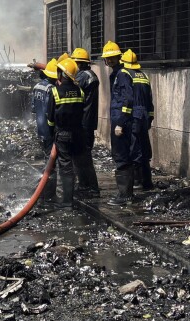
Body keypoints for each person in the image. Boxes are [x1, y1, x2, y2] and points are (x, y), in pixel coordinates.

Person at [102, 41, 139, 207]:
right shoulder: (116, 74)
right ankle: (124, 193)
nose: (110, 61)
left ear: (119, 58)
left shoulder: (122, 74)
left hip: (121, 121)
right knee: (121, 155)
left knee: (121, 156)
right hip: (118, 118)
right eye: (107, 59)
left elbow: (128, 99)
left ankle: (125, 195)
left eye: (112, 58)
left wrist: (121, 123)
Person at [47, 58, 85, 209]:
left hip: (62, 134)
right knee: (75, 164)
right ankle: (74, 195)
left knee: (65, 166)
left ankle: (67, 201)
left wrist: (52, 134)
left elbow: (50, 118)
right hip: (78, 133)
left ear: (62, 74)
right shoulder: (80, 91)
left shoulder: (55, 91)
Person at [122, 49, 155, 190]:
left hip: (134, 115)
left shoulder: (127, 75)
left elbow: (128, 99)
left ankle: (137, 181)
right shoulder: (143, 76)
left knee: (134, 148)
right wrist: (150, 117)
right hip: (144, 116)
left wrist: (123, 118)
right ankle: (147, 181)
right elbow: (150, 99)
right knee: (144, 147)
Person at [70, 47, 100, 197]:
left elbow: (73, 91)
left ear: (79, 63)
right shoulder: (91, 74)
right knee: (80, 154)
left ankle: (92, 188)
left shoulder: (82, 77)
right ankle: (84, 185)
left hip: (83, 121)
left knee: (84, 156)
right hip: (87, 120)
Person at [30, 59, 59, 160]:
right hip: (49, 126)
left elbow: (33, 108)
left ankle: (47, 171)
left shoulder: (37, 86)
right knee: (52, 152)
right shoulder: (51, 89)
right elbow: (50, 110)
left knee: (46, 149)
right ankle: (51, 173)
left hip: (40, 125)